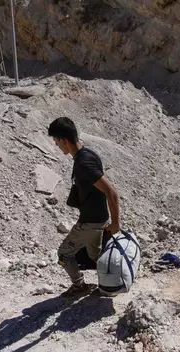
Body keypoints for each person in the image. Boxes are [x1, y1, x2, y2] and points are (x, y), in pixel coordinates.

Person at [48, 117, 121, 298]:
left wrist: (116, 224)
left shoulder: (84, 163)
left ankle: (79, 286)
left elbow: (112, 193)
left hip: (90, 222)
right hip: (98, 219)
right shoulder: (88, 154)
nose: (57, 146)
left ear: (64, 140)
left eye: (57, 142)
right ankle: (110, 283)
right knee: (95, 254)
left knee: (64, 254)